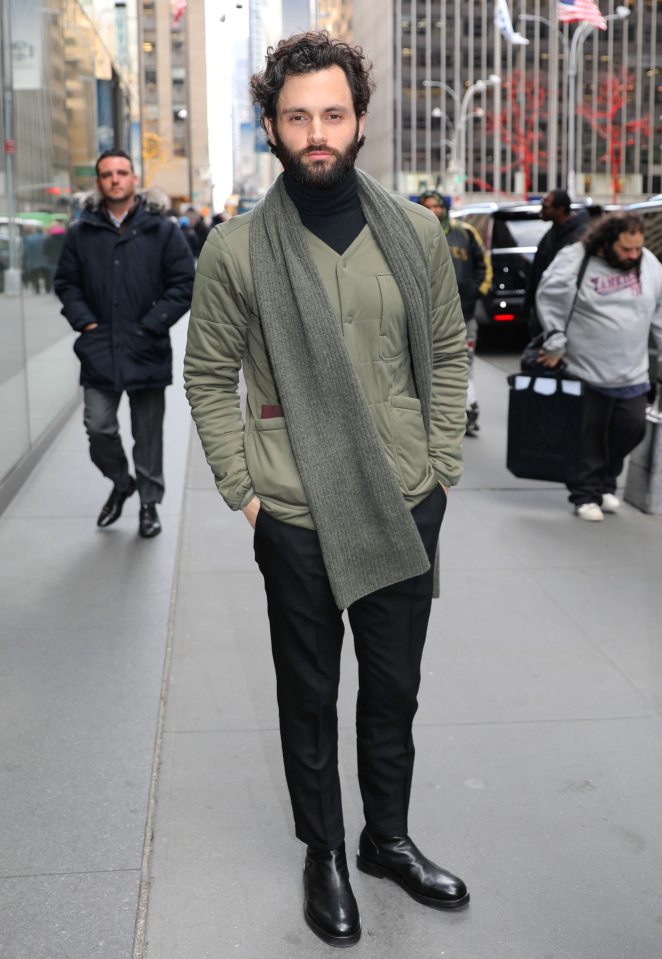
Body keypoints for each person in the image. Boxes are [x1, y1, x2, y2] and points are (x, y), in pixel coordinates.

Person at [184, 32, 469, 948]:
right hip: (297, 513)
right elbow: (207, 375)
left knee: (394, 692)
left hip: (402, 500)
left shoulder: (417, 233)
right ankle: (325, 852)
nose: (317, 132)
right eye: (297, 115)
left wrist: (442, 472)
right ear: (271, 126)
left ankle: (386, 838)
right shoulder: (235, 251)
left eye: (332, 114)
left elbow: (451, 353)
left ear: (358, 120)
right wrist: (247, 492)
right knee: (308, 695)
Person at [54, 148, 195, 538]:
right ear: (98, 183)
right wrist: (86, 323)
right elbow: (66, 283)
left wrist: (152, 325)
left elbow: (184, 282)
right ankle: (121, 482)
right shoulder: (82, 232)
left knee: (148, 435)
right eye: (107, 174)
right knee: (98, 426)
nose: (115, 179)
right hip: (99, 349)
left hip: (146, 347)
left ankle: (149, 505)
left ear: (135, 179)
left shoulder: (162, 230)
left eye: (122, 172)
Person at [536, 211, 662, 522]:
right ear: (606, 242)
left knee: (631, 428)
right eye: (626, 249)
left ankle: (605, 480)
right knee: (588, 438)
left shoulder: (647, 263)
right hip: (585, 370)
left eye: (638, 248)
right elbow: (550, 299)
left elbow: (660, 310)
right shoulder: (576, 259)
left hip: (631, 370)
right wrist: (555, 344)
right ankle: (585, 494)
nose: (634, 255)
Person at [418, 190, 491, 436]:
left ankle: (469, 410)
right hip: (425, 315)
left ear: (444, 208)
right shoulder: (411, 231)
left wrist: (475, 292)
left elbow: (484, 266)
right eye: (426, 206)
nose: (432, 211)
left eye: (436, 206)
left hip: (464, 314)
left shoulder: (465, 233)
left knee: (462, 362)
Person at [524, 189, 590, 337]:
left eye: (545, 206)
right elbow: (537, 272)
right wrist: (529, 307)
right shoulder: (552, 233)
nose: (541, 210)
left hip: (565, 315)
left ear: (560, 210)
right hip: (544, 313)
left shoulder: (579, 236)